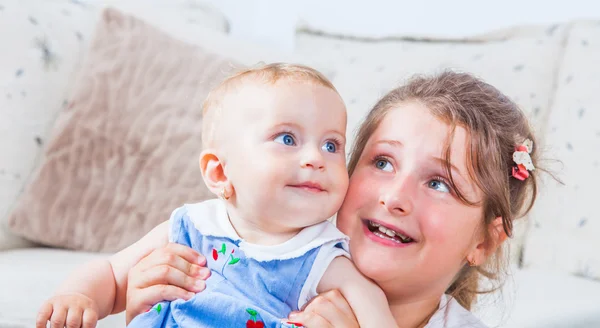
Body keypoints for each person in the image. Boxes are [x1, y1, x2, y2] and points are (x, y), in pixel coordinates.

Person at [125, 71, 541, 328]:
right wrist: (140, 310)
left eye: (439, 184)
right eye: (381, 162)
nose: (395, 197)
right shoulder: (244, 268)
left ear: (483, 242)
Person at [36, 63, 399, 328]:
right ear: (220, 173)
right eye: (287, 139)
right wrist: (78, 297)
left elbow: (373, 309)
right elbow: (113, 276)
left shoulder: (320, 256)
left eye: (331, 144)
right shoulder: (191, 226)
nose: (316, 159)